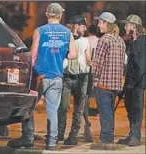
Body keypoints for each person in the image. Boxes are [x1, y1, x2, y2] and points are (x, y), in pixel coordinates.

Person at [32, 3, 77, 150]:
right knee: (53, 112)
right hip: (57, 76)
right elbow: (74, 55)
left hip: (40, 75)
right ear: (60, 15)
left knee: (29, 108)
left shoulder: (39, 31)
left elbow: (33, 56)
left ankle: (27, 137)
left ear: (47, 14)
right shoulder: (67, 32)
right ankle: (51, 143)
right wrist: (60, 53)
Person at [90, 12, 126, 150]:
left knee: (105, 113)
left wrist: (93, 75)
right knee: (109, 112)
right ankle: (107, 138)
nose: (98, 25)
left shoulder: (104, 40)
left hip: (103, 83)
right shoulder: (120, 41)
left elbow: (98, 64)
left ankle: (106, 140)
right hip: (115, 84)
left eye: (100, 22)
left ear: (106, 24)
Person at [58, 15, 92, 145]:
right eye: (83, 26)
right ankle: (59, 134)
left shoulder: (86, 41)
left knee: (79, 109)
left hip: (82, 77)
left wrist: (91, 62)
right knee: (63, 106)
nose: (85, 28)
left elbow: (88, 57)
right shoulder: (65, 39)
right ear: (76, 26)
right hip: (66, 77)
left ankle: (73, 136)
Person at [118, 15, 146, 147]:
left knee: (137, 110)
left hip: (137, 84)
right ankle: (131, 134)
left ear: (134, 26)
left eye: (127, 25)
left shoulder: (142, 42)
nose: (125, 27)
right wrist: (126, 84)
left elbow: (141, 66)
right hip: (130, 83)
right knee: (130, 109)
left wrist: (133, 83)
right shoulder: (132, 42)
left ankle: (136, 136)